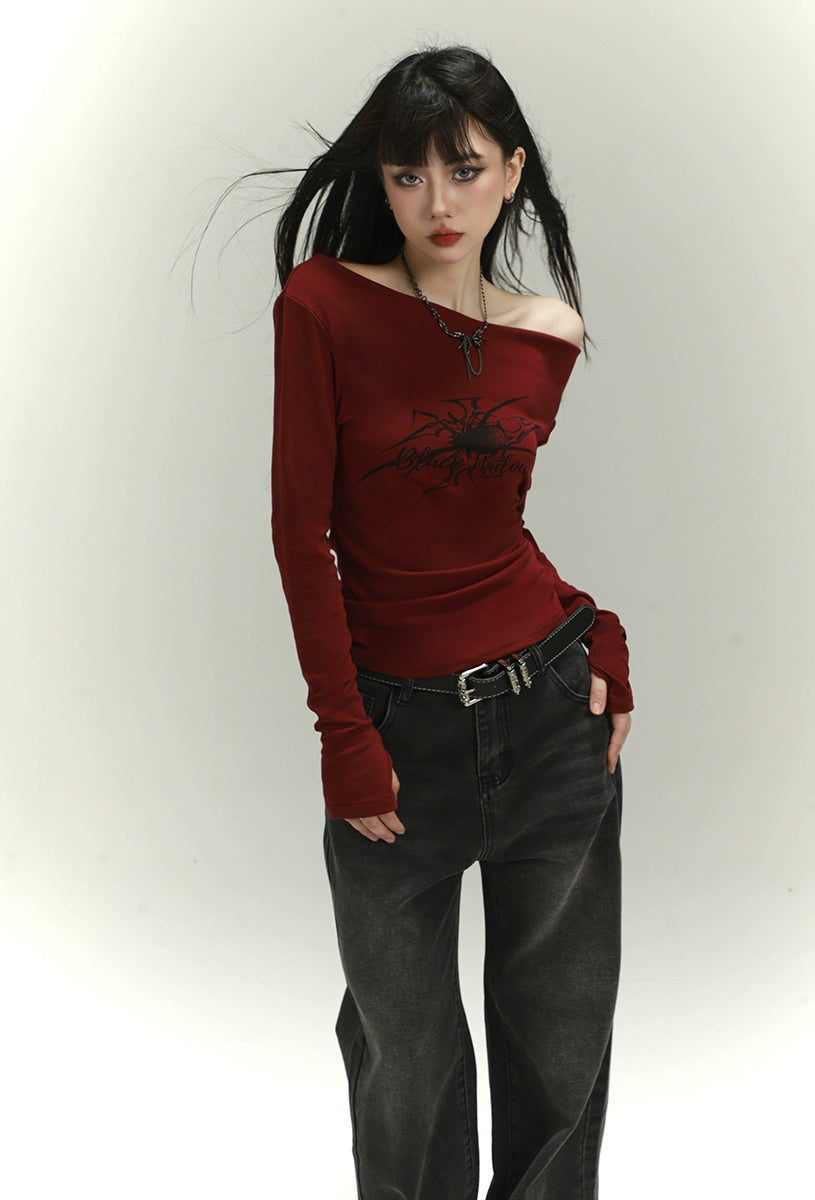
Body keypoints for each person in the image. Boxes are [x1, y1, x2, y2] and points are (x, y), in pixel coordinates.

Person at [269, 45, 633, 1200]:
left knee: (561, 1053)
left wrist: (596, 630)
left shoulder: (549, 330)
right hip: (398, 740)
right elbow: (302, 536)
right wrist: (344, 734)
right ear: (380, 180)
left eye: (464, 170)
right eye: (408, 173)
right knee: (406, 1063)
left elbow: (490, 528)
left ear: (512, 171)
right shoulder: (322, 305)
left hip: (553, 723)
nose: (437, 200)